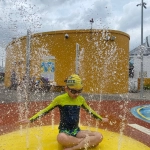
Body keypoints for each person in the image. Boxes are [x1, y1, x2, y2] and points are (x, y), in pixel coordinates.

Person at [20, 74, 109, 150]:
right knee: (61, 138)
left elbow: (90, 111)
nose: (77, 94)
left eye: (79, 91)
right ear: (66, 89)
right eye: (73, 91)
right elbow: (45, 110)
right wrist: (30, 120)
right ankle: (86, 143)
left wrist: (101, 119)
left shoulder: (80, 99)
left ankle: (74, 147)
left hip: (76, 131)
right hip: (65, 132)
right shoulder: (60, 99)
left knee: (99, 136)